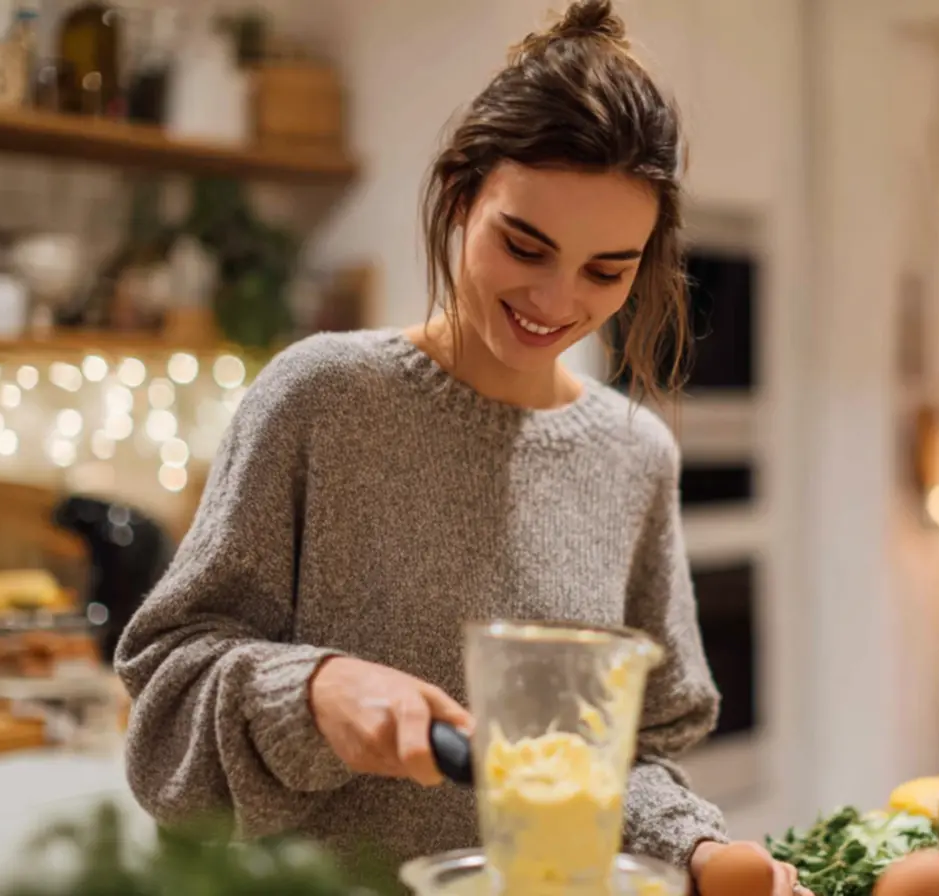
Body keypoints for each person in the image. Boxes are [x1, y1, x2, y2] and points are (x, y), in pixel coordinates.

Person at [114, 1, 804, 893]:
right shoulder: (323, 398)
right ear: (459, 197)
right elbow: (166, 703)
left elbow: (624, 759)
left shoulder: (633, 457)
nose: (557, 300)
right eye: (526, 245)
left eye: (608, 270)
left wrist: (697, 851)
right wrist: (314, 691)